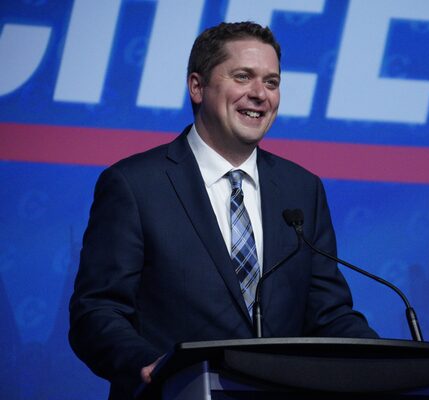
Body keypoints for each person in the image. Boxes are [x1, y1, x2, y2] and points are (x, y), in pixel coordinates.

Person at [69, 21, 377, 400]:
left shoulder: (302, 189)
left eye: (271, 82)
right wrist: (151, 364)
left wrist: (393, 366)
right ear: (197, 87)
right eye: (243, 77)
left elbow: (328, 314)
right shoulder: (135, 185)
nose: (259, 94)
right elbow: (97, 311)